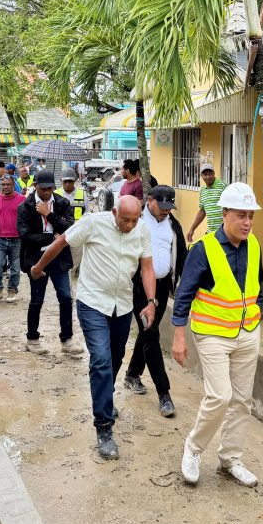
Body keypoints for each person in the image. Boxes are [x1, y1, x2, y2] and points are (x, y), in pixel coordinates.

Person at [30, 195, 156, 460]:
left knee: (115, 357)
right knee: (100, 359)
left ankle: (105, 398)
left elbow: (146, 267)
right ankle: (104, 427)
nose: (131, 225)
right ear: (114, 212)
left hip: (122, 304)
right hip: (93, 302)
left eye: (135, 219)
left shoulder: (142, 229)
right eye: (125, 220)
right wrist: (39, 267)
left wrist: (152, 301)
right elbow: (61, 242)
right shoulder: (92, 223)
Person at [172, 182, 263, 488]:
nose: (247, 222)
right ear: (224, 214)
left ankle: (230, 459)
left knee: (241, 400)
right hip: (212, 334)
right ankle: (193, 449)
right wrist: (178, 336)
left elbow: (258, 286)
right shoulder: (203, 249)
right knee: (220, 396)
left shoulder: (254, 245)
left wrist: (258, 314)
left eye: (251, 216)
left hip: (247, 332)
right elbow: (184, 294)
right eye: (241, 215)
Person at [123, 185, 187, 418]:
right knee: (151, 334)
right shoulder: (136, 222)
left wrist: (182, 285)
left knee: (147, 332)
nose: (165, 211)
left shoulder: (172, 225)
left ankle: (132, 374)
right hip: (139, 287)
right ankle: (164, 393)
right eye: (162, 206)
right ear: (149, 201)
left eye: (170, 207)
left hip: (161, 287)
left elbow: (182, 256)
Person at [18, 170, 80, 355]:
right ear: (35, 185)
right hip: (37, 259)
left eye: (50, 188)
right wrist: (51, 237)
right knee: (37, 299)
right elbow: (25, 235)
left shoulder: (62, 203)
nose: (47, 192)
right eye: (43, 188)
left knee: (66, 298)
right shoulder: (25, 206)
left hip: (59, 259)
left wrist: (49, 214)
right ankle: (32, 338)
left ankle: (67, 339)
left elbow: (70, 229)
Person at [0, 174, 26, 305]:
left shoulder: (22, 199)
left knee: (15, 268)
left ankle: (12, 290)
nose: (5, 187)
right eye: (3, 184)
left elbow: (27, 219)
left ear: (13, 185)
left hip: (17, 239)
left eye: (8, 184)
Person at [186, 163, 227, 243]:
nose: (208, 176)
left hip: (224, 233)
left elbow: (231, 207)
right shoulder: (202, 190)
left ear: (214, 174)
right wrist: (192, 229)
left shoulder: (223, 186)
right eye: (205, 174)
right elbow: (202, 211)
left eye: (210, 174)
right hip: (210, 233)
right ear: (201, 176)